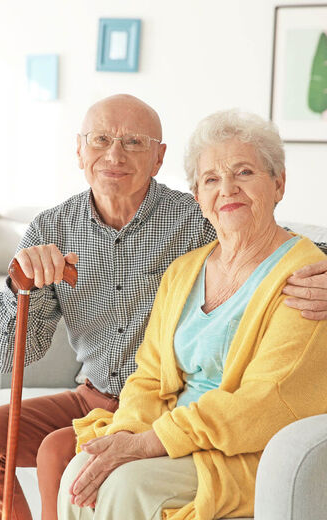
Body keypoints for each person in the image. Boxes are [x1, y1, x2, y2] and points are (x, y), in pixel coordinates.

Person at [0, 95, 327, 520]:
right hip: (101, 395)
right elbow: (5, 355)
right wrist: (23, 286)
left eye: (133, 142)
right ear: (79, 151)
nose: (114, 154)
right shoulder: (51, 229)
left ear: (157, 158)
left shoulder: (195, 216)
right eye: (101, 140)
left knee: (62, 456)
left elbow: (267, 238)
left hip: (172, 401)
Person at [58, 109, 327, 520]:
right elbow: (148, 377)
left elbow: (264, 401)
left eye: (244, 173)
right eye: (212, 180)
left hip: (240, 451)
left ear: (279, 184)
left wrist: (149, 443)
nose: (228, 189)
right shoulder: (185, 270)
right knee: (80, 472)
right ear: (198, 196)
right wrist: (129, 433)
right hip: (170, 436)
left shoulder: (304, 275)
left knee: (130, 487)